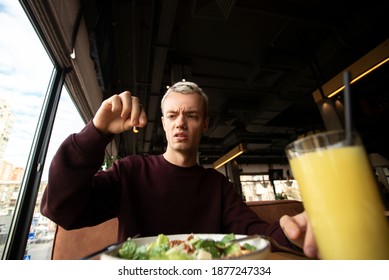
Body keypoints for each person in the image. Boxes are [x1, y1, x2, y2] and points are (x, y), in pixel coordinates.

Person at [41, 81, 317, 258]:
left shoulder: (217, 185)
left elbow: (256, 236)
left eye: (192, 115)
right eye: (172, 115)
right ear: (163, 123)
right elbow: (62, 210)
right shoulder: (131, 171)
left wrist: (294, 232)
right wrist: (96, 133)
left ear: (205, 124)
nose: (180, 123)